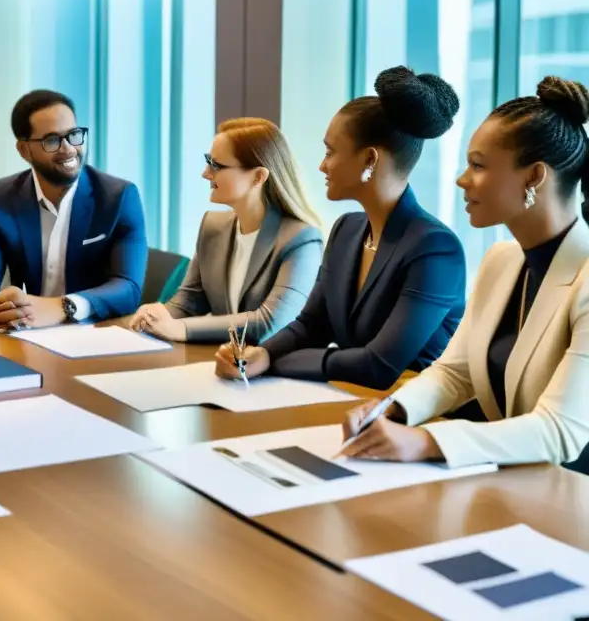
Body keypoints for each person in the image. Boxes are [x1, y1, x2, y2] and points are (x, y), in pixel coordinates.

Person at [339, 77, 589, 469]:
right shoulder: (501, 260)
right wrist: (393, 410)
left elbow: (561, 430)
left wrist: (423, 441)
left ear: (534, 177)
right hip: (511, 483)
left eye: (478, 165)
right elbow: (455, 373)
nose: (461, 179)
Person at [215, 66, 466, 390]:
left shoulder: (436, 249)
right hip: (350, 401)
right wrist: (260, 353)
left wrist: (273, 362)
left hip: (411, 419)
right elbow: (311, 325)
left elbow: (379, 366)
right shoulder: (347, 229)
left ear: (369, 160)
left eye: (330, 151)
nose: (322, 164)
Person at [0, 89, 147, 328]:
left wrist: (62, 307)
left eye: (74, 135)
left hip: (97, 334)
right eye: (52, 140)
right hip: (28, 334)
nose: (68, 148)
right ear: (24, 150)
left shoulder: (119, 197)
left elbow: (127, 287)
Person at [129, 118, 323, 343]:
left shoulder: (302, 239)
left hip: (275, 369)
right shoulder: (212, 227)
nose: (205, 173)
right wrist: (156, 316)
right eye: (208, 161)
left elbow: (270, 323)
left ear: (258, 176)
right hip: (223, 364)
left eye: (216, 165)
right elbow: (188, 302)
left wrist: (180, 328)